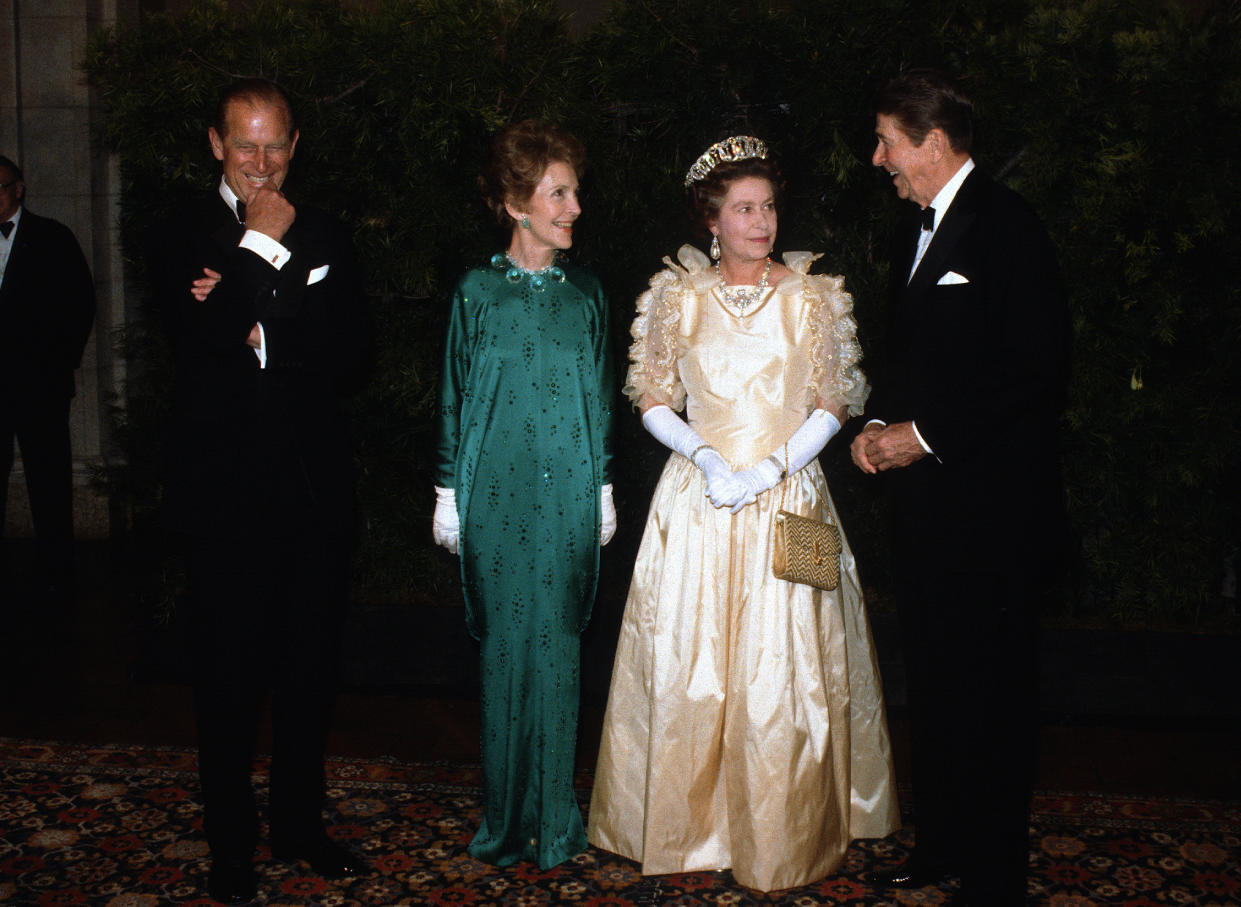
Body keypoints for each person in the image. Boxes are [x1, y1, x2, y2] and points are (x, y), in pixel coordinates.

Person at [587, 136, 900, 892]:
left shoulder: (813, 296)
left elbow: (832, 401)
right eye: (744, 209)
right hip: (697, 503)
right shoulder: (676, 297)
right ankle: (690, 826)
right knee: (690, 662)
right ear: (712, 221)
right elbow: (652, 396)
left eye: (767, 207)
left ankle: (791, 826)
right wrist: (704, 458)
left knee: (795, 667)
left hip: (792, 496)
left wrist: (771, 466)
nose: (761, 222)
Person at [152, 78, 370, 904]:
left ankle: (300, 826)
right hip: (222, 498)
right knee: (228, 680)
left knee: (309, 673)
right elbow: (198, 341)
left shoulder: (327, 231)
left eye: (274, 145)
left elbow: (352, 355)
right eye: (243, 146)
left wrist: (255, 318)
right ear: (215, 144)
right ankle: (232, 846)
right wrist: (264, 248)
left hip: (312, 494)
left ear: (295, 141)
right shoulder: (179, 230)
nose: (260, 163)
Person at [852, 69, 1068, 906]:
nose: (878, 159)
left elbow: (1035, 374)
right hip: (926, 517)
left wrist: (924, 437)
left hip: (993, 520)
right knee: (936, 683)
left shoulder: (1008, 226)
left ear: (932, 142)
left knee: (994, 695)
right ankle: (939, 844)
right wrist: (877, 426)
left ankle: (993, 873)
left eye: (887, 143)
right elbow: (922, 362)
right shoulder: (918, 227)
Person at [432, 119, 616, 869]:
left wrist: (603, 485)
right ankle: (505, 821)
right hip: (497, 500)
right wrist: (447, 490)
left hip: (571, 495)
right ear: (515, 203)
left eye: (574, 192)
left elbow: (601, 399)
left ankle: (557, 819)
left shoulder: (588, 296)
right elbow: (451, 395)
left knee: (561, 652)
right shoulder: (475, 293)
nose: (573, 207)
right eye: (558, 193)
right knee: (508, 654)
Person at [0, 155, 95, 605]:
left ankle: (57, 575)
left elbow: (79, 305)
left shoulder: (53, 238)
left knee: (49, 480)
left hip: (40, 384)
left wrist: (57, 363)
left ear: (18, 189)